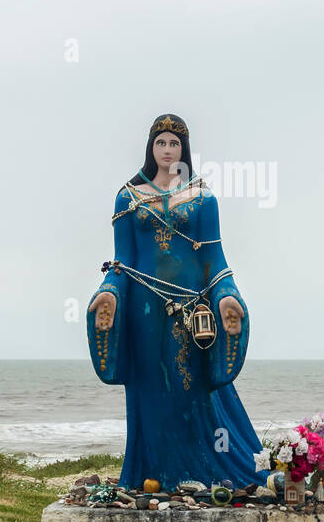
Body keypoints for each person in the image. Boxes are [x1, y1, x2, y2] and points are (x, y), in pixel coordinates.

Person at [88, 113, 262, 490]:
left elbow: (215, 260)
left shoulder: (203, 198)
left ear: (185, 149)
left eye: (175, 143)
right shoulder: (128, 197)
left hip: (192, 312)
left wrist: (228, 296)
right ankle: (151, 475)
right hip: (143, 313)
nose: (168, 150)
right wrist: (108, 292)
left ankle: (202, 473)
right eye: (161, 143)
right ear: (151, 147)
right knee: (149, 390)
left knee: (192, 390)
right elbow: (122, 262)